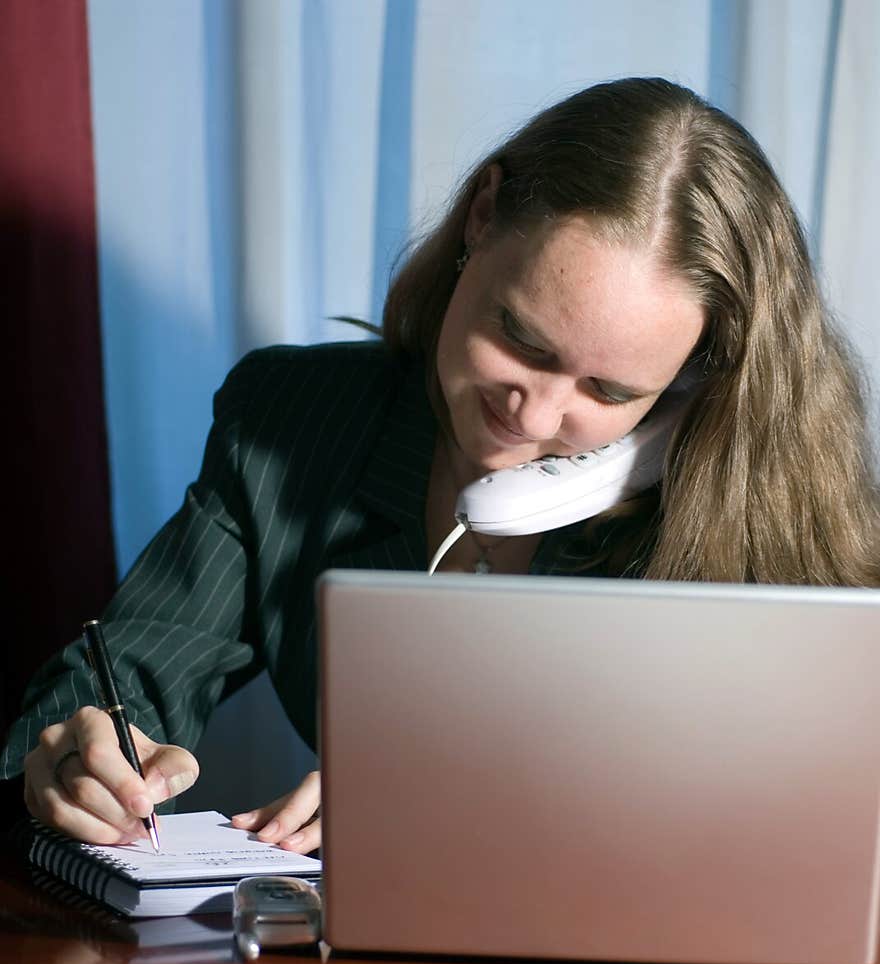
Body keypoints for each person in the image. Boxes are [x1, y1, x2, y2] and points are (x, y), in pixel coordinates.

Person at [3, 76, 879, 852]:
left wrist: (457, 812)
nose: (532, 414)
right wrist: (80, 753)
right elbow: (126, 671)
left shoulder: (743, 507)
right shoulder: (293, 421)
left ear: (688, 384)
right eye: (519, 336)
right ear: (482, 215)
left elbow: (798, 814)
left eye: (608, 390)